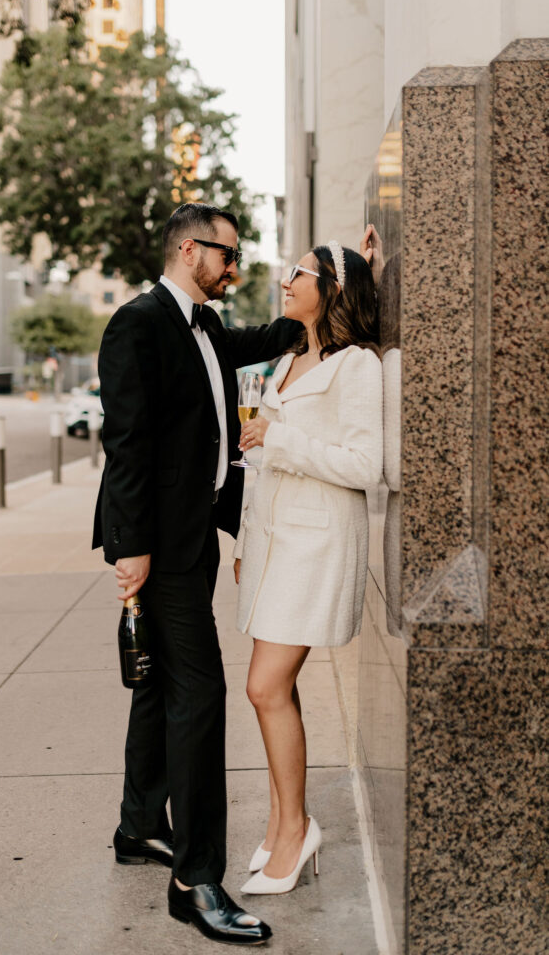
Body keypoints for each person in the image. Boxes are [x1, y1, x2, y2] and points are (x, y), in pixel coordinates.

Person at [92, 202, 301, 945]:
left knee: (159, 685)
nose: (233, 268)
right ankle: (195, 880)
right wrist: (131, 546)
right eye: (226, 254)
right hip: (160, 543)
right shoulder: (137, 323)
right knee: (200, 693)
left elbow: (260, 339)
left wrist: (328, 296)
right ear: (189, 249)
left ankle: (139, 824)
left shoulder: (207, 325)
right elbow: (127, 442)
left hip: (194, 534)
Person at [233, 241, 383, 895]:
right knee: (276, 688)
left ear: (329, 287)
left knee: (264, 687)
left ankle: (295, 833)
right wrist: (243, 542)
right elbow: (260, 454)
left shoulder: (356, 367)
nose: (285, 278)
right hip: (273, 540)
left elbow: (363, 465)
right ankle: (277, 826)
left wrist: (280, 439)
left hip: (315, 544)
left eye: (298, 271)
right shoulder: (291, 356)